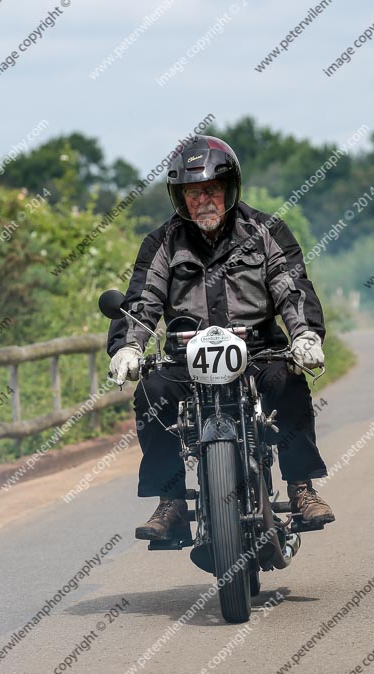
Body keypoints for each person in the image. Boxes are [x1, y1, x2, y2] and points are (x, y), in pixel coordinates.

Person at [107, 135, 335, 541]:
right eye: (193, 193)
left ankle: (302, 487)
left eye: (211, 189)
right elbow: (143, 299)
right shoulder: (161, 243)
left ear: (229, 188)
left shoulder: (267, 231)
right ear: (180, 198)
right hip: (186, 356)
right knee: (152, 390)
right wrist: (128, 346)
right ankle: (172, 503)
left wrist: (304, 335)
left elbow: (292, 286)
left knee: (288, 382)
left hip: (258, 350)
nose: (203, 201)